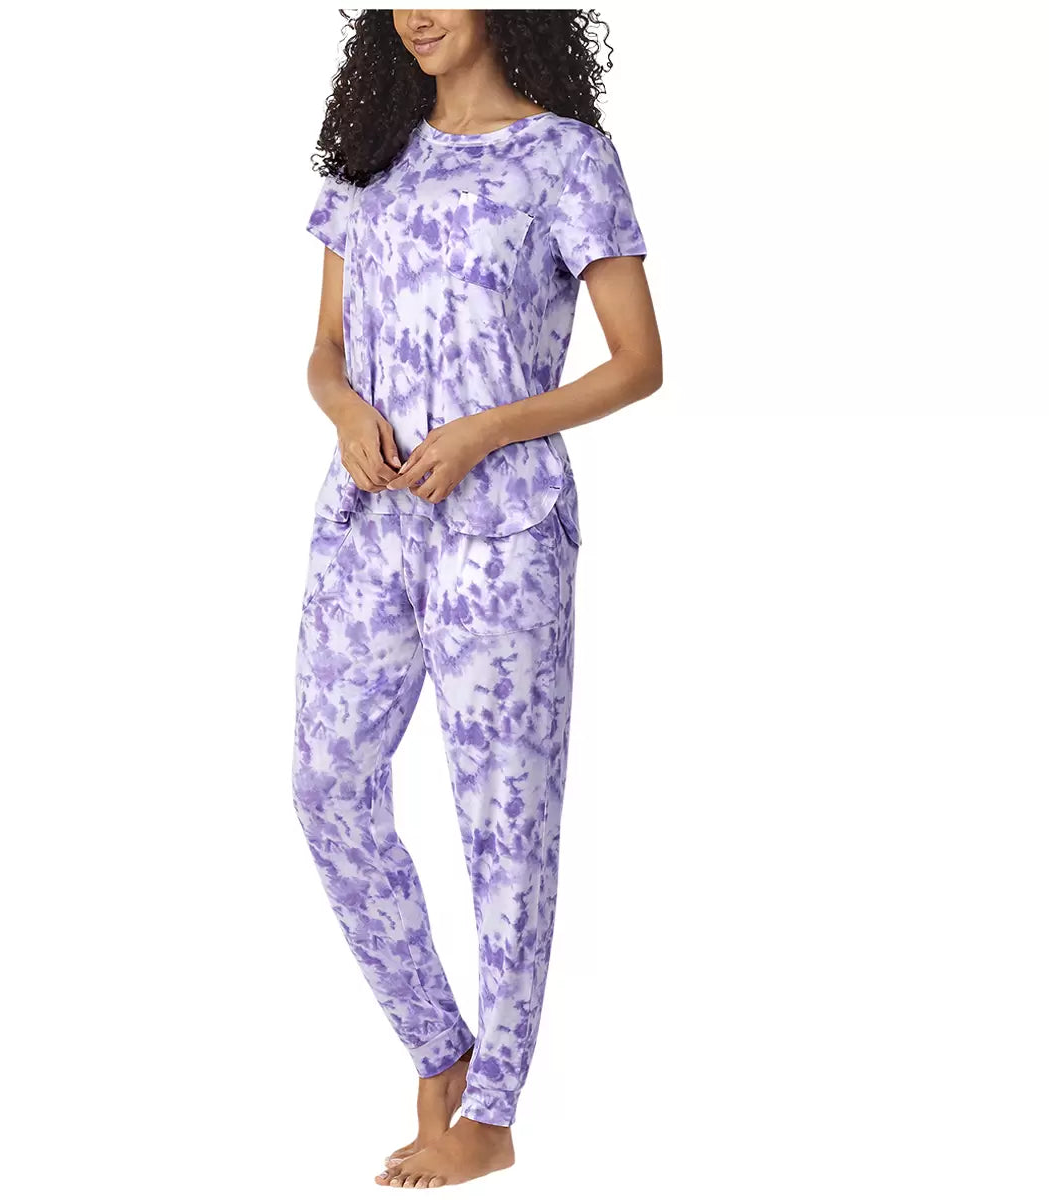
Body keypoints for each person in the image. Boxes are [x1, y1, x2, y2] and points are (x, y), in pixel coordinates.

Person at [293, 9, 662, 1188]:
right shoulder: (371, 153)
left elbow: (638, 362)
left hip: (503, 531)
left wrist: (490, 429)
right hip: (369, 523)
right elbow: (324, 349)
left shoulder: (566, 157)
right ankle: (439, 1050)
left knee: (505, 822)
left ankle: (491, 1112)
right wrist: (345, 412)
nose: (417, 13)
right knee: (327, 787)